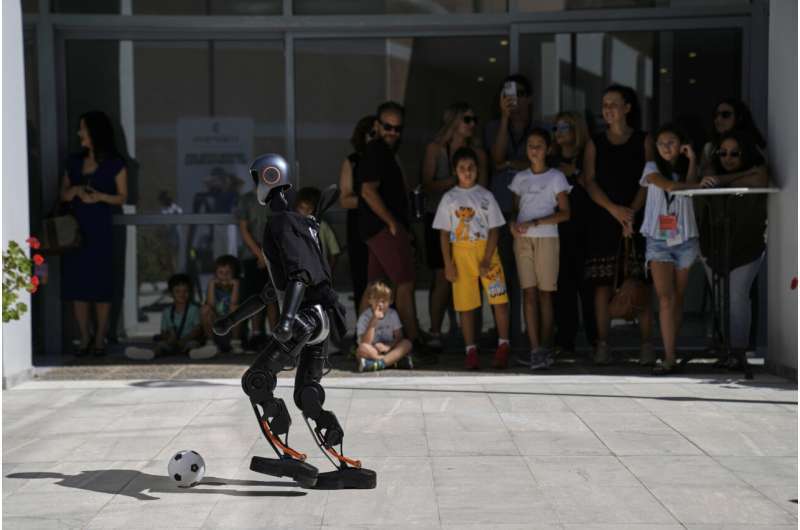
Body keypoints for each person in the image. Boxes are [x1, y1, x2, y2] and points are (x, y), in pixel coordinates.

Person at [583, 84, 655, 365]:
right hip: (603, 218)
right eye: (604, 104)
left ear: (627, 108)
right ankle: (602, 345)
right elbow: (590, 182)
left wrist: (631, 214)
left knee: (640, 282)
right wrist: (614, 211)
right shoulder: (595, 143)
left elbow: (649, 178)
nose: (608, 109)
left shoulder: (643, 140)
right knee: (602, 285)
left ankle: (647, 345)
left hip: (638, 218)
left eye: (613, 104)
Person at [358, 101, 433, 363]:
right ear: (377, 125)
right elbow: (367, 191)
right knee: (405, 284)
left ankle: (360, 343)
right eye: (387, 126)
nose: (392, 132)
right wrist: (392, 223)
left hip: (377, 228)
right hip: (383, 228)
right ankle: (414, 342)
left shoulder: (383, 152)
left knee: (375, 286)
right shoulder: (376, 151)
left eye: (397, 128)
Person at [640, 124, 715, 375]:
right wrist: (695, 185)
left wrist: (692, 160)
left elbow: (690, 188)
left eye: (671, 142)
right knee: (665, 298)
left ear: (682, 145)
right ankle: (669, 356)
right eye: (661, 143)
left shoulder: (687, 169)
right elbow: (670, 187)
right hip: (658, 238)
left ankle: (671, 349)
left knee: (678, 298)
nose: (666, 147)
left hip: (685, 237)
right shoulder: (651, 168)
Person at [484, 74, 549, 345]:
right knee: (501, 274)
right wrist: (504, 118)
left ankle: (531, 337)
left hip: (532, 212)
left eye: (521, 93)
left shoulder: (541, 128)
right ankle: (504, 335)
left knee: (531, 279)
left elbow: (539, 163)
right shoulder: (493, 127)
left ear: (530, 98)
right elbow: (497, 159)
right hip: (500, 209)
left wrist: (511, 164)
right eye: (509, 94)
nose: (515, 99)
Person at [433, 147, 510, 370]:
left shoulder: (486, 195)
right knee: (465, 305)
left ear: (477, 169)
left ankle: (503, 345)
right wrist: (448, 264)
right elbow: (444, 233)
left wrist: (486, 259)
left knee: (499, 299)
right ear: (455, 171)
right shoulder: (449, 198)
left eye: (471, 168)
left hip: (487, 251)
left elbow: (495, 229)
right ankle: (470, 350)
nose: (467, 172)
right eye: (462, 168)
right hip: (461, 253)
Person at [60, 110, 128, 356]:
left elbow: (122, 196)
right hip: (75, 232)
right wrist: (77, 191)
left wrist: (99, 196)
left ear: (95, 132)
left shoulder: (115, 163)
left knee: (101, 285)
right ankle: (84, 336)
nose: (79, 133)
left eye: (83, 128)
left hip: (100, 230)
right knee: (78, 285)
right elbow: (63, 194)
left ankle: (100, 337)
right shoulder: (73, 162)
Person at [421, 102, 488, 351]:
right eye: (467, 119)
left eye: (474, 120)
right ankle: (435, 331)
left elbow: (483, 190)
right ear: (454, 121)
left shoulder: (478, 153)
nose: (472, 125)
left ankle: (471, 336)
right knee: (442, 275)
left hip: (471, 224)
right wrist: (455, 182)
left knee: (471, 277)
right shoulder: (435, 149)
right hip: (439, 217)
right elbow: (427, 184)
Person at [700, 130, 769, 367]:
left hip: (747, 245)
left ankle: (738, 352)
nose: (727, 158)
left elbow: (760, 179)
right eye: (723, 153)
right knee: (721, 301)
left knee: (738, 297)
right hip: (713, 245)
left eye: (734, 153)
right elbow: (707, 178)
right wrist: (741, 176)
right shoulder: (711, 168)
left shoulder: (759, 169)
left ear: (745, 153)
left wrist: (723, 180)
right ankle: (727, 351)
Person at [509, 128, 571, 369]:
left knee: (545, 293)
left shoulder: (556, 177)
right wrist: (513, 224)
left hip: (546, 237)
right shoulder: (520, 178)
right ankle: (535, 349)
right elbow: (515, 210)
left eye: (539, 145)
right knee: (529, 292)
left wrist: (536, 222)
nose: (534, 150)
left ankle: (546, 347)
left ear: (548, 149)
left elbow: (565, 213)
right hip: (523, 239)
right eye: (530, 145)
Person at [548, 111, 597, 356]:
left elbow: (595, 186)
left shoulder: (588, 153)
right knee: (563, 288)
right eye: (556, 127)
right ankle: (564, 341)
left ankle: (597, 340)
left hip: (587, 228)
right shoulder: (551, 160)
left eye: (564, 127)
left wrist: (575, 173)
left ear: (576, 129)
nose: (558, 132)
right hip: (559, 229)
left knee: (589, 287)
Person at [124, 274, 217, 361]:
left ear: (190, 293)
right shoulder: (166, 312)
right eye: (177, 291)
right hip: (172, 342)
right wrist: (170, 338)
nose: (182, 294)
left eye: (185, 291)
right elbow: (163, 332)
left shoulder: (194, 309)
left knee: (193, 344)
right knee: (161, 345)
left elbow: (197, 330)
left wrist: (185, 339)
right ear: (170, 293)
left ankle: (195, 353)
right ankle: (150, 353)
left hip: (188, 340)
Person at [236, 177, 279, 350]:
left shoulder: (276, 199)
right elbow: (244, 230)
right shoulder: (246, 200)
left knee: (272, 297)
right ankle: (256, 334)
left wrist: (268, 256)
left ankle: (275, 337)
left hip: (274, 256)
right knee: (255, 297)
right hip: (251, 256)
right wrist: (260, 255)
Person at [339, 115, 376, 316]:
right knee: (362, 275)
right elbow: (344, 199)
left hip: (385, 225)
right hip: (360, 225)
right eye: (372, 133)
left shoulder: (390, 159)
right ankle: (363, 327)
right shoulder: (353, 162)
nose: (377, 137)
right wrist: (373, 199)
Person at [355, 281, 413, 372]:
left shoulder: (392, 314)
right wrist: (374, 320)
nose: (380, 304)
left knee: (407, 343)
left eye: (384, 301)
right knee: (361, 349)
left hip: (390, 348)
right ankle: (392, 362)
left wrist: (388, 346)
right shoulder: (364, 317)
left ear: (390, 301)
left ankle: (378, 364)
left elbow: (399, 336)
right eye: (376, 300)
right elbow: (365, 342)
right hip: (373, 350)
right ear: (370, 300)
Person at [699, 98, 768, 175]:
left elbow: (759, 175)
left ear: (739, 118)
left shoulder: (754, 146)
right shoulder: (709, 148)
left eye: (725, 115)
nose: (718, 119)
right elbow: (708, 178)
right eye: (715, 115)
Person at [295, 187, 342, 275]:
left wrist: (328, 272)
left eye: (309, 209)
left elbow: (334, 252)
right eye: (301, 208)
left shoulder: (323, 226)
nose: (305, 212)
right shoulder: (292, 227)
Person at [201, 254, 241, 354]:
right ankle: (210, 343)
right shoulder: (213, 285)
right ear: (215, 274)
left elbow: (234, 303)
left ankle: (236, 343)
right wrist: (211, 284)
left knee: (235, 308)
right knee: (205, 309)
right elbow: (210, 304)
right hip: (216, 325)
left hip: (231, 328)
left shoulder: (237, 285)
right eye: (221, 272)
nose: (224, 276)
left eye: (228, 272)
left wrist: (236, 285)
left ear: (234, 273)